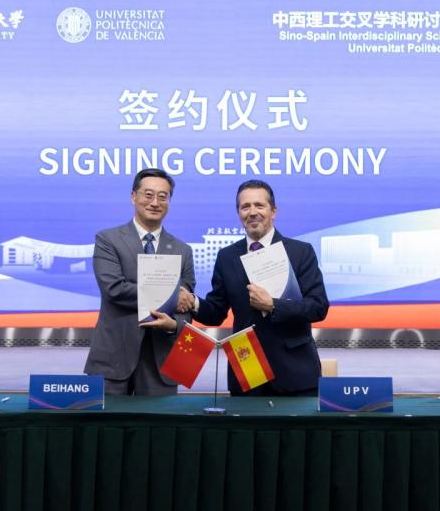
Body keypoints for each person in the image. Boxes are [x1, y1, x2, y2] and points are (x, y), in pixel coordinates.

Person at [187, 179, 329, 396]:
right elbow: (216, 312)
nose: (252, 212)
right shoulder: (227, 257)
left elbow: (318, 307)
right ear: (239, 213)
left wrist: (273, 305)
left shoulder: (300, 252)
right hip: (247, 369)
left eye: (259, 205)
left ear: (273, 211)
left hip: (295, 373)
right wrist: (192, 302)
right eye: (245, 207)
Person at [83, 168, 195, 395]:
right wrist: (170, 295)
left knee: (157, 420)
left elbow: (184, 304)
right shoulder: (108, 240)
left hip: (161, 361)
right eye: (148, 195)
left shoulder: (182, 250)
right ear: (134, 197)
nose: (155, 202)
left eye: (162, 196)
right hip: (113, 357)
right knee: (107, 419)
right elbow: (114, 289)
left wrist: (176, 324)